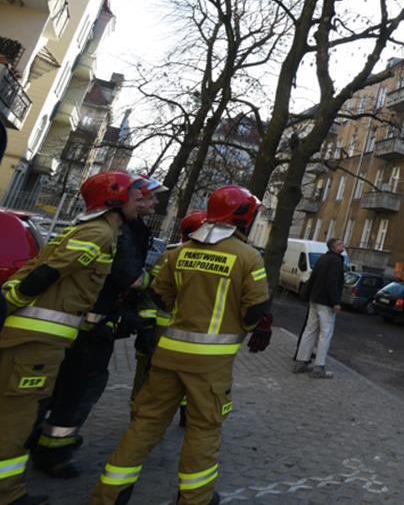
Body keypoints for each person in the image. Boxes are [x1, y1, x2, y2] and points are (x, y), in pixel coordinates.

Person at [90, 186, 272, 505]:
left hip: (168, 354)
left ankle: (110, 494)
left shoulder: (179, 252)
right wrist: (243, 326)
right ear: (243, 217)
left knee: (146, 423)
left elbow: (160, 297)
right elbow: (255, 310)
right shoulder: (248, 256)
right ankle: (195, 498)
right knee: (204, 429)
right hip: (210, 365)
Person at [0, 171, 140, 505]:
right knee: (17, 417)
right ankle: (8, 494)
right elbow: (48, 273)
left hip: (34, 336)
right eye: (136, 195)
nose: (142, 202)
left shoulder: (91, 229)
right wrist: (8, 304)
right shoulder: (99, 233)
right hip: (37, 341)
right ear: (116, 198)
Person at [31, 176, 168, 479]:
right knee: (80, 388)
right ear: (135, 199)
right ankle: (54, 451)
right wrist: (159, 282)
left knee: (62, 385)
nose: (155, 203)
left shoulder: (118, 226)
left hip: (83, 324)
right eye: (149, 197)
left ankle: (42, 439)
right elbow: (130, 277)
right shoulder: (118, 230)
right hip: (91, 327)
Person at [130, 210, 207, 425]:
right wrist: (147, 325)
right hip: (167, 332)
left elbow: (149, 294)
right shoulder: (172, 256)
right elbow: (151, 293)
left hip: (172, 331)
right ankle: (140, 416)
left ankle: (144, 417)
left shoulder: (174, 256)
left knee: (164, 378)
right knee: (156, 377)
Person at [292, 238, 346, 379]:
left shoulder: (323, 258)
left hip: (314, 299)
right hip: (326, 302)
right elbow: (332, 282)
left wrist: (307, 296)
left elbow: (313, 277)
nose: (343, 245)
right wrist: (336, 302)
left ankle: (301, 362)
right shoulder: (336, 261)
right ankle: (319, 367)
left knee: (310, 331)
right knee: (325, 333)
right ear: (334, 247)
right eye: (340, 244)